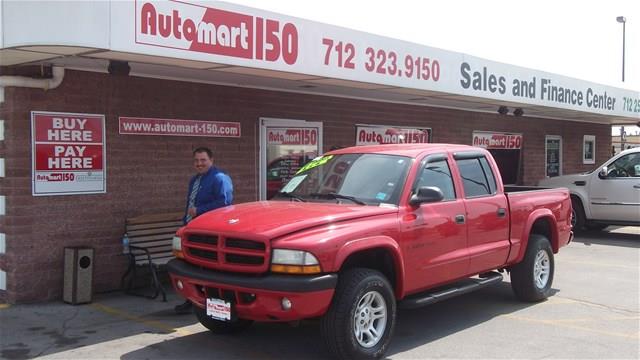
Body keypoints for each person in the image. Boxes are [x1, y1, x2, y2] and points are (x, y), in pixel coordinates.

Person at [175, 147, 234, 314]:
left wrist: (200, 210)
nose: (199, 164)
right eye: (196, 161)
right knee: (190, 265)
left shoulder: (220, 178)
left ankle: (214, 304)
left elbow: (225, 204)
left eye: (203, 160)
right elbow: (190, 203)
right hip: (191, 230)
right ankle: (191, 299)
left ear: (211, 160)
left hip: (210, 233)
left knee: (206, 269)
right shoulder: (194, 180)